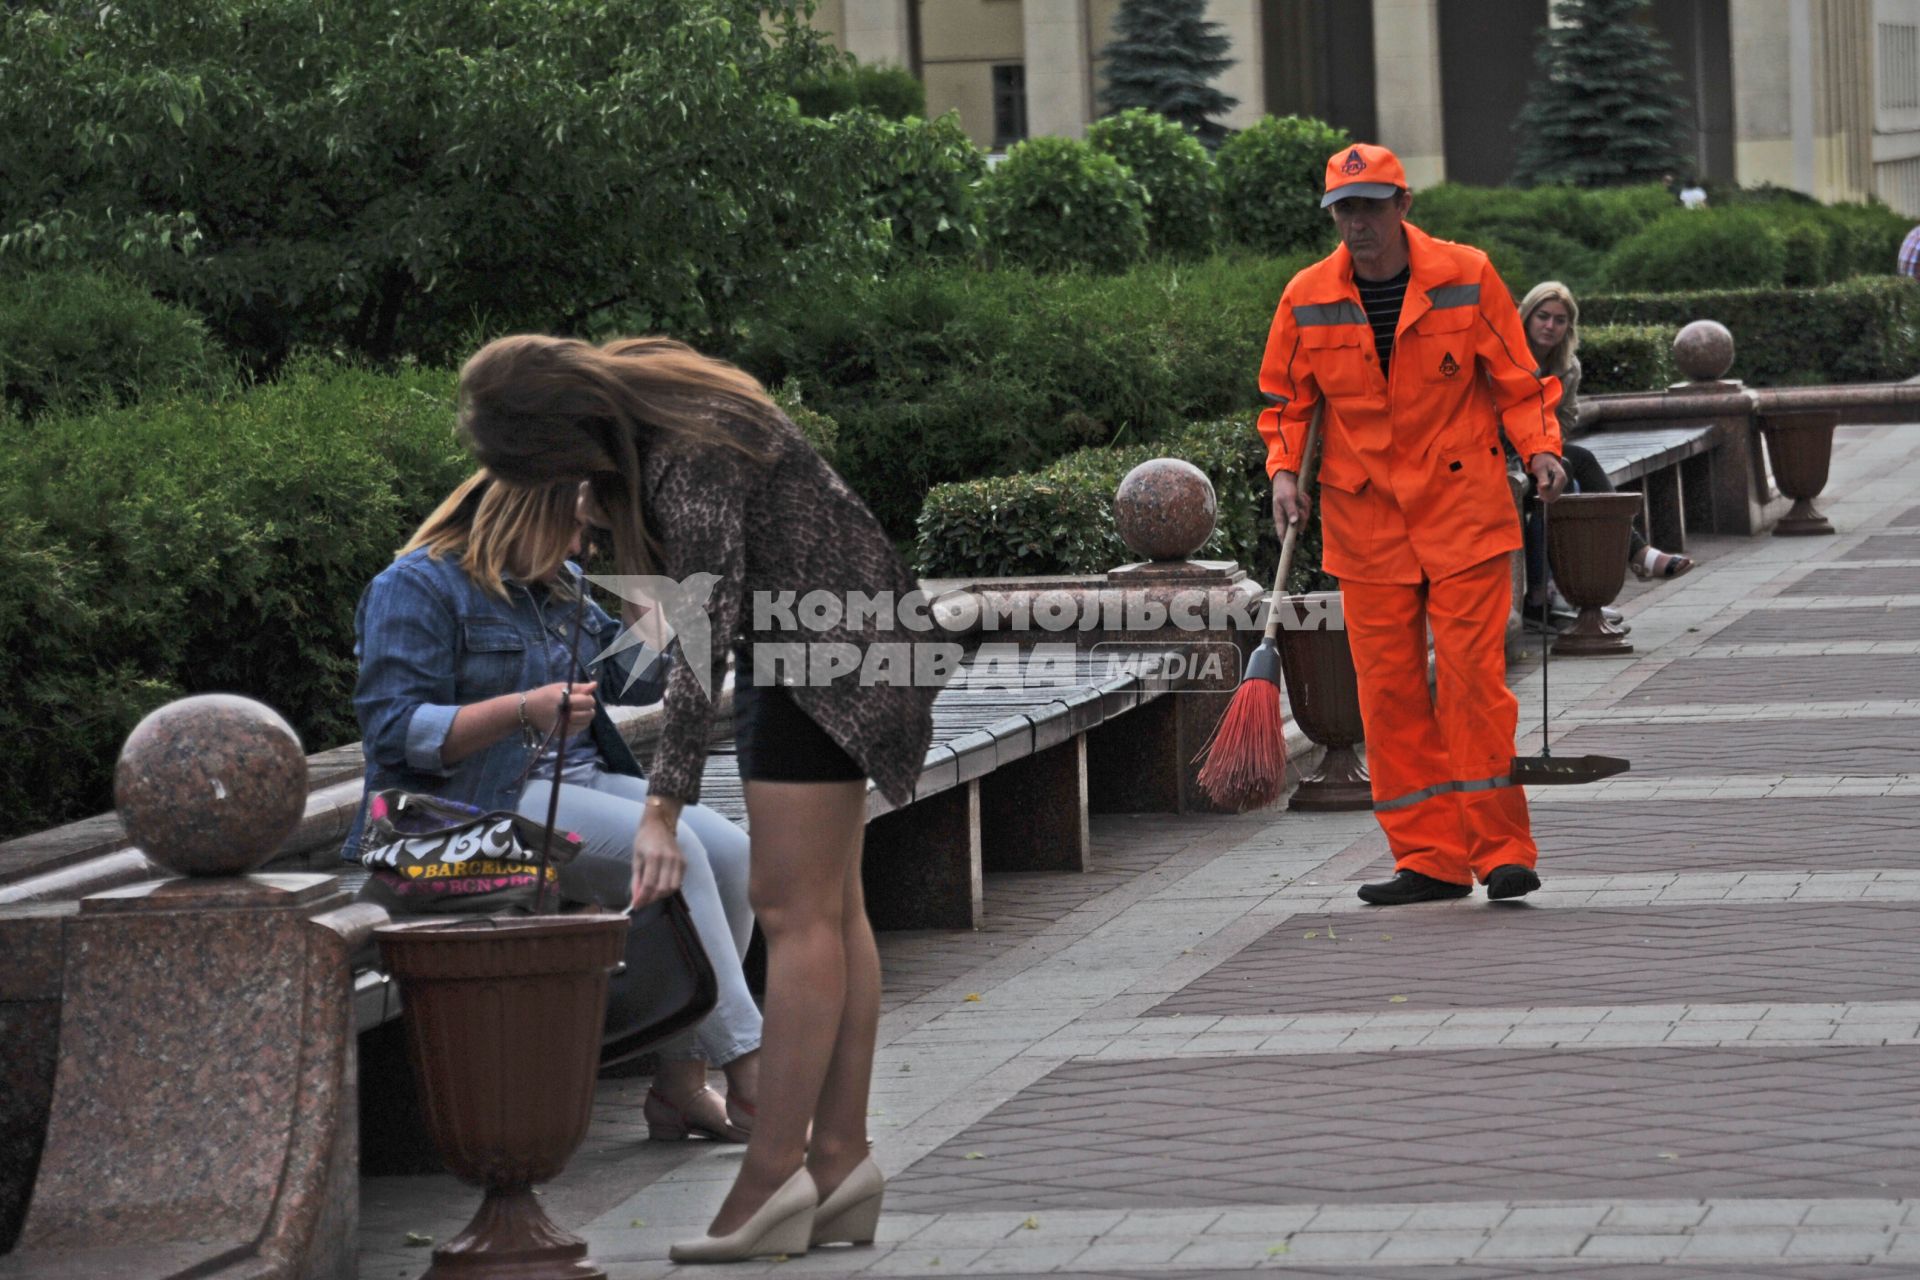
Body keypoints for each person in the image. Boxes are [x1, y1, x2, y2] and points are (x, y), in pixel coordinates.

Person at [456, 334, 939, 1264]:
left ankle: (773, 1180)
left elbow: (694, 654)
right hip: (845, 637)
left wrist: (660, 811)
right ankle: (840, 1165)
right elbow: (674, 626)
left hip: (823, 656)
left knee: (794, 916)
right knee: (833, 912)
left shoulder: (690, 450)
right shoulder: (657, 405)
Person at [343, 470, 763, 1144]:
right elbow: (394, 730)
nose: (582, 545)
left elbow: (627, 684)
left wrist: (653, 605)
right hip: (469, 805)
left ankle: (680, 1085)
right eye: (575, 526)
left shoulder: (556, 584)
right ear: (530, 511)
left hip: (577, 784)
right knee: (672, 854)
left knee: (735, 854)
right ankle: (752, 1071)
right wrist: (520, 711)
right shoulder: (416, 586)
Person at [1257, 143, 1568, 907]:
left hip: (1463, 509)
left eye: (1369, 206)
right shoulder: (1306, 295)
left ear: (1403, 205)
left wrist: (1541, 451)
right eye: (1343, 210)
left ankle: (1500, 853)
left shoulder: (1467, 275)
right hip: (1367, 521)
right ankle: (1428, 858)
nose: (1356, 224)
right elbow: (1288, 402)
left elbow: (1516, 382)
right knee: (1390, 695)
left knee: (1471, 687)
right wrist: (1284, 472)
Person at [1520, 281, 1694, 586]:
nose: (1550, 326)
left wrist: (1545, 445)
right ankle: (1635, 556)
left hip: (1543, 448)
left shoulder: (1567, 366)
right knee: (1577, 464)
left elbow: (1566, 417)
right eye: (1543, 316)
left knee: (1567, 479)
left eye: (1560, 320)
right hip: (1500, 448)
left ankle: (1570, 592)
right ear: (1527, 316)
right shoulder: (1507, 354)